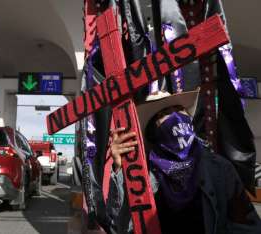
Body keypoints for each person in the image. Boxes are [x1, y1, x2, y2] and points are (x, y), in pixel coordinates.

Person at [106, 90, 261, 234]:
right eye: (164, 114)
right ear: (153, 132)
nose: (175, 117)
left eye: (178, 110)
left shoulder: (219, 168)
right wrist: (121, 169)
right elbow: (119, 227)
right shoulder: (143, 172)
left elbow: (247, 225)